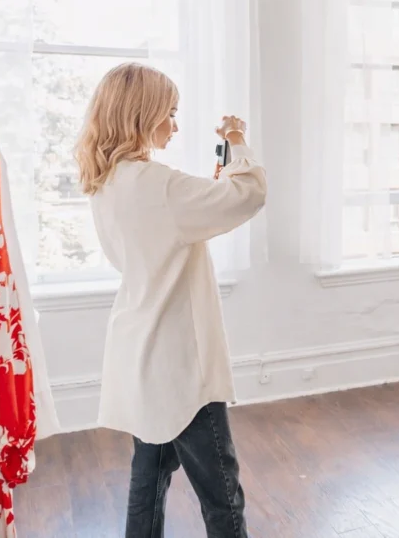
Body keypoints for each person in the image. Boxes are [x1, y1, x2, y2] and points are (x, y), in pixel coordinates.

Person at [74, 62, 266, 538]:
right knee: (222, 495)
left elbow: (166, 226)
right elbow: (250, 193)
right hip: (181, 365)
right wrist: (237, 138)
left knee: (149, 481)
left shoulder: (107, 181)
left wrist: (206, 189)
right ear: (144, 114)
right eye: (171, 114)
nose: (175, 126)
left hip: (140, 351)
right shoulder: (159, 184)